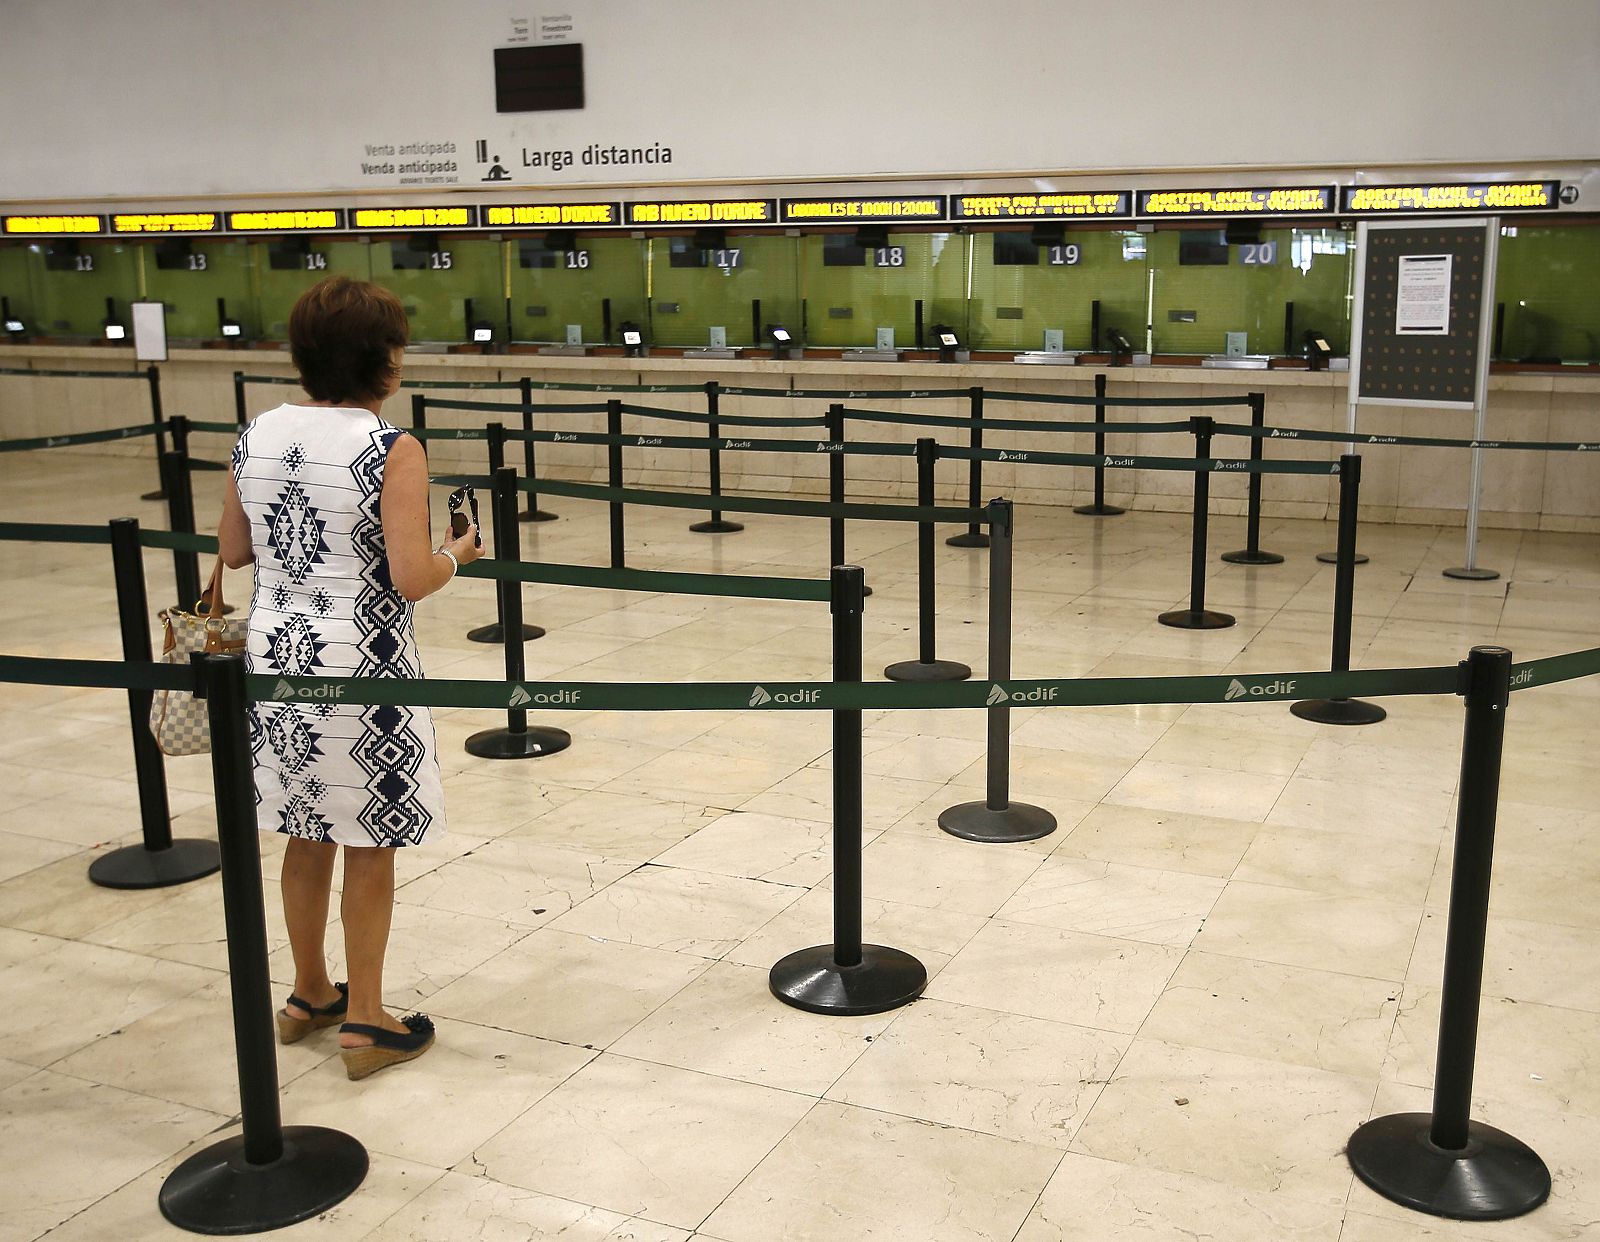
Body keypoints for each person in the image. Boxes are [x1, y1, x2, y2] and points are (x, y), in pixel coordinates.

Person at [217, 275, 482, 1080]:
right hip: (362, 663)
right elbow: (409, 577)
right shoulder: (389, 448)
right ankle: (366, 1019)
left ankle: (307, 994)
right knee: (372, 833)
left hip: (278, 658)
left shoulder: (257, 432)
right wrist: (458, 554)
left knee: (306, 826)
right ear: (385, 361)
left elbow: (232, 551)